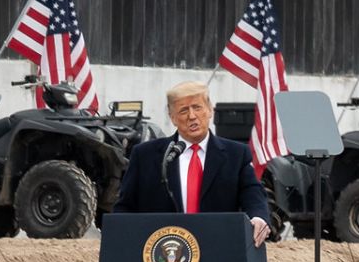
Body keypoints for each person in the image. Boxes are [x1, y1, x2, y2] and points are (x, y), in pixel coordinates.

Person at [111, 81, 270, 246]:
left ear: (210, 110)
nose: (192, 116)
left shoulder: (237, 154)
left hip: (218, 247)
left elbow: (253, 194)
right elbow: (124, 207)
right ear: (173, 118)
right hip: (162, 253)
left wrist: (258, 218)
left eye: (197, 107)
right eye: (183, 110)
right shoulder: (145, 156)